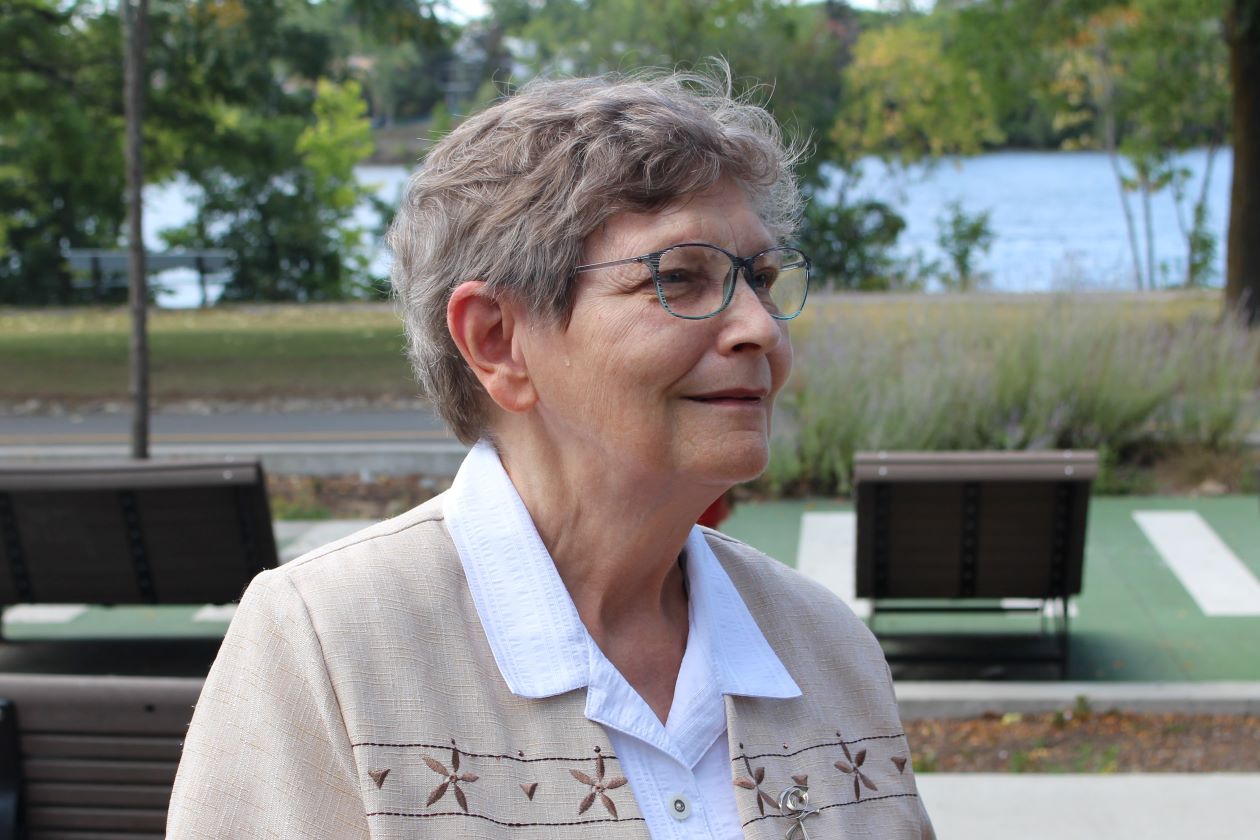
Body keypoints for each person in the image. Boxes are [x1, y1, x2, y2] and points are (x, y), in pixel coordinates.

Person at [167, 67, 934, 840]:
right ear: (497, 342)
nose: (761, 329)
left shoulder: (827, 647)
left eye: (760, 279)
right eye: (677, 278)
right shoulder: (326, 643)